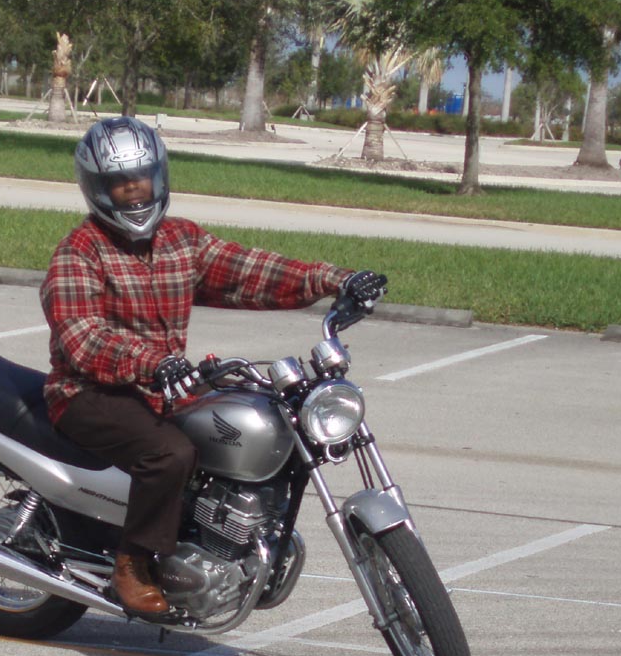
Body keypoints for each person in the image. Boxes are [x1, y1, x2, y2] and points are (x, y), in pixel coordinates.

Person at [40, 116, 386, 621]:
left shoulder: (181, 241)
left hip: (164, 386)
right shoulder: (79, 252)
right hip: (87, 392)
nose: (135, 192)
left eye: (142, 180)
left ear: (159, 177)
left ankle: (216, 542)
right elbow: (82, 337)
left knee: (243, 425)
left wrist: (337, 280)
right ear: (98, 188)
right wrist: (152, 362)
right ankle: (133, 564)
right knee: (170, 453)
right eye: (121, 183)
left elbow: (251, 270)